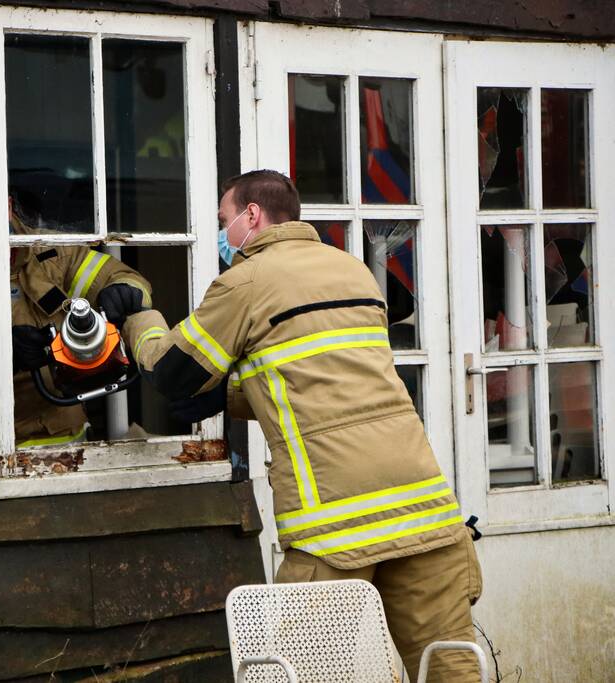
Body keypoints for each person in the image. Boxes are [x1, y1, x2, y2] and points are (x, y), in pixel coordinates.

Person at [111, 170, 483, 682]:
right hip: (423, 506)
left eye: (224, 221)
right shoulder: (352, 270)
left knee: (303, 672)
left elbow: (171, 374)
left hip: (336, 523)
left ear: (252, 216)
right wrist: (232, 393)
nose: (222, 234)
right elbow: (319, 379)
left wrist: (140, 319)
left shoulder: (245, 281)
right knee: (450, 666)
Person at [9, 197, 151, 448]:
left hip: (63, 437)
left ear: (9, 204)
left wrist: (123, 290)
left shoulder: (51, 250)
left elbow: (122, 276)